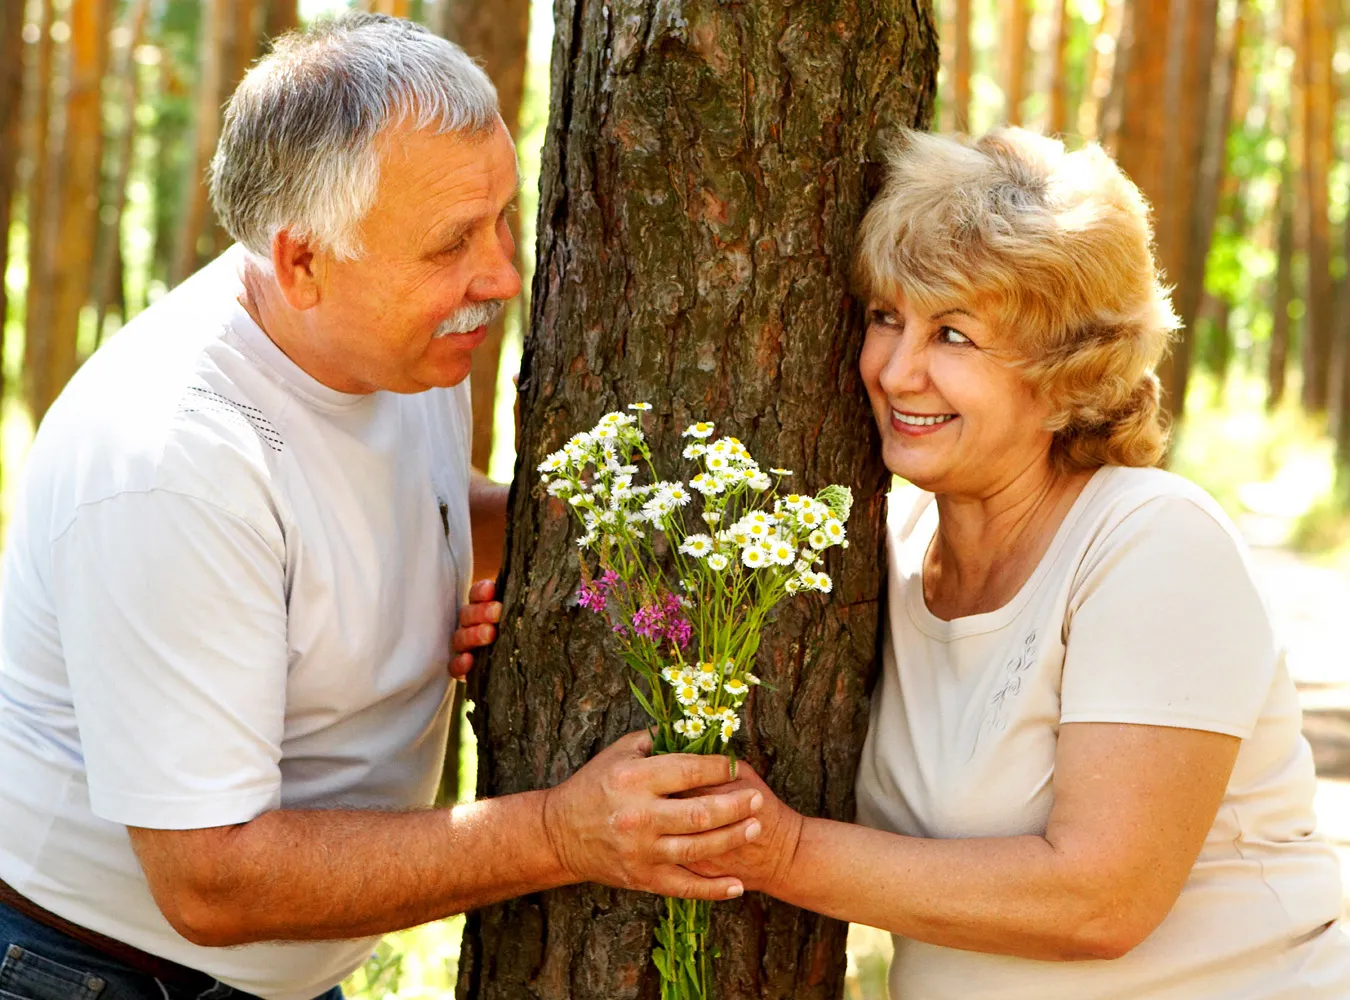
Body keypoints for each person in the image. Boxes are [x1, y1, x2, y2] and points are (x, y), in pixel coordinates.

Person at [0, 15, 761, 1000]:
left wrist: (550, 562)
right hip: (94, 973)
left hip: (269, 969)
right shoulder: (175, 462)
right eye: (450, 243)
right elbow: (211, 880)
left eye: (501, 217)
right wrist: (559, 832)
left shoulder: (401, 345)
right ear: (303, 263)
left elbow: (399, 509)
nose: (501, 276)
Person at [689, 128, 1350, 998]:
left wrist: (781, 853)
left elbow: (1100, 900)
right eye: (887, 318)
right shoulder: (882, 554)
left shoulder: (1153, 543)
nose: (896, 371)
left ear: (1067, 372)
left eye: (953, 335)